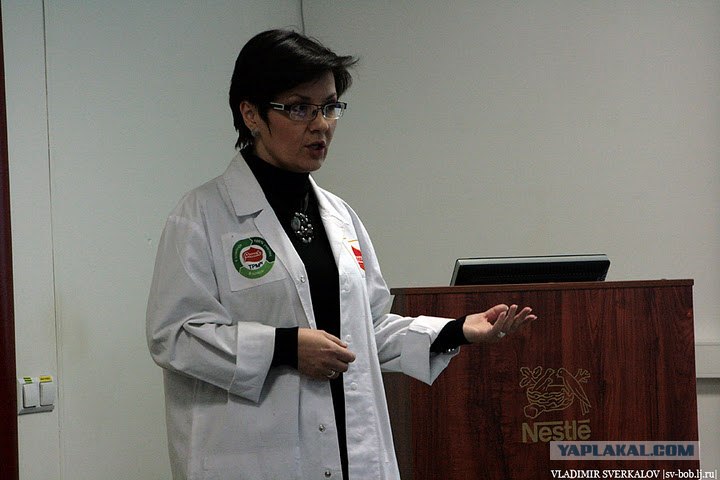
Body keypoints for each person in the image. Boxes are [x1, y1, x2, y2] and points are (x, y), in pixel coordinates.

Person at [146, 29, 536, 480]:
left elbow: (366, 330)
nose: (321, 124)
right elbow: (175, 336)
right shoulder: (201, 216)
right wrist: (284, 348)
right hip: (254, 456)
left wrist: (457, 330)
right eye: (300, 108)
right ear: (250, 113)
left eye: (330, 107)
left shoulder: (340, 215)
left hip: (352, 453)